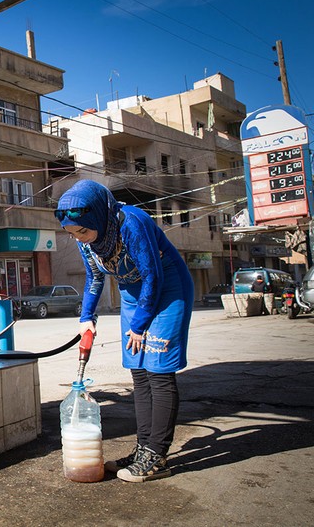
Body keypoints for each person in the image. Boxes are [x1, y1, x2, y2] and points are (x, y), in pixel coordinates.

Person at [55, 180, 194, 483]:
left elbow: (152, 275)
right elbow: (94, 278)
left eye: (82, 231)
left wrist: (140, 325)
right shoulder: (87, 241)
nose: (80, 239)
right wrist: (86, 316)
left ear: (98, 217)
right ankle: (142, 448)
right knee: (139, 372)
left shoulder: (131, 222)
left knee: (158, 371)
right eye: (73, 233)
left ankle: (157, 455)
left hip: (167, 289)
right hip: (133, 295)